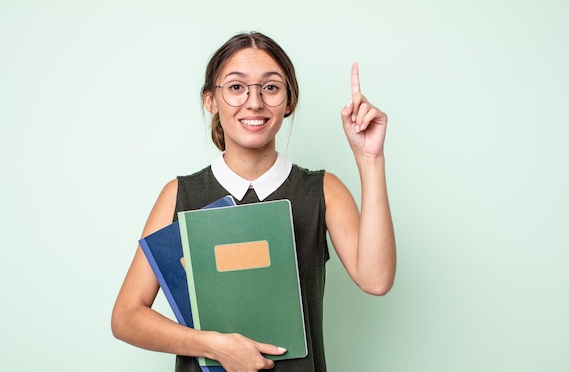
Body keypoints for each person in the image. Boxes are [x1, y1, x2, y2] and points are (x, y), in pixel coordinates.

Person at [111, 31, 396, 372]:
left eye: (271, 87)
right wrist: (212, 345)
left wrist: (370, 159)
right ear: (210, 101)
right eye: (236, 87)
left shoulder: (322, 190)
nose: (255, 102)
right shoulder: (179, 194)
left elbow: (376, 279)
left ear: (289, 101)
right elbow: (126, 318)